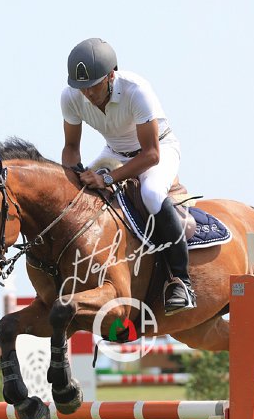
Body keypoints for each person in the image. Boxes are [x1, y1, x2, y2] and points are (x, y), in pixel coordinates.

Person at [60, 37, 196, 315]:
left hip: (159, 149)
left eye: (94, 85)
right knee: (75, 197)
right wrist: (73, 177)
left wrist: (108, 179)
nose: (88, 93)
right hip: (114, 152)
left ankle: (181, 281)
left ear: (111, 75)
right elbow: (71, 148)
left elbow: (151, 155)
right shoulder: (71, 96)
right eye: (82, 87)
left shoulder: (136, 90)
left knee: (152, 194)